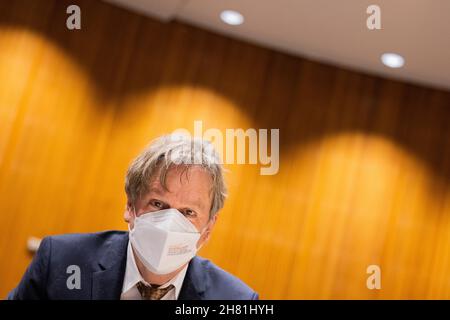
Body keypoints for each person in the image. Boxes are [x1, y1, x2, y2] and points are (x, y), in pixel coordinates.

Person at [8, 134, 258, 300]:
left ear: (208, 228)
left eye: (188, 212)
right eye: (158, 203)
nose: (170, 223)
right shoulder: (61, 261)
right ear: (130, 205)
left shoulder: (236, 300)